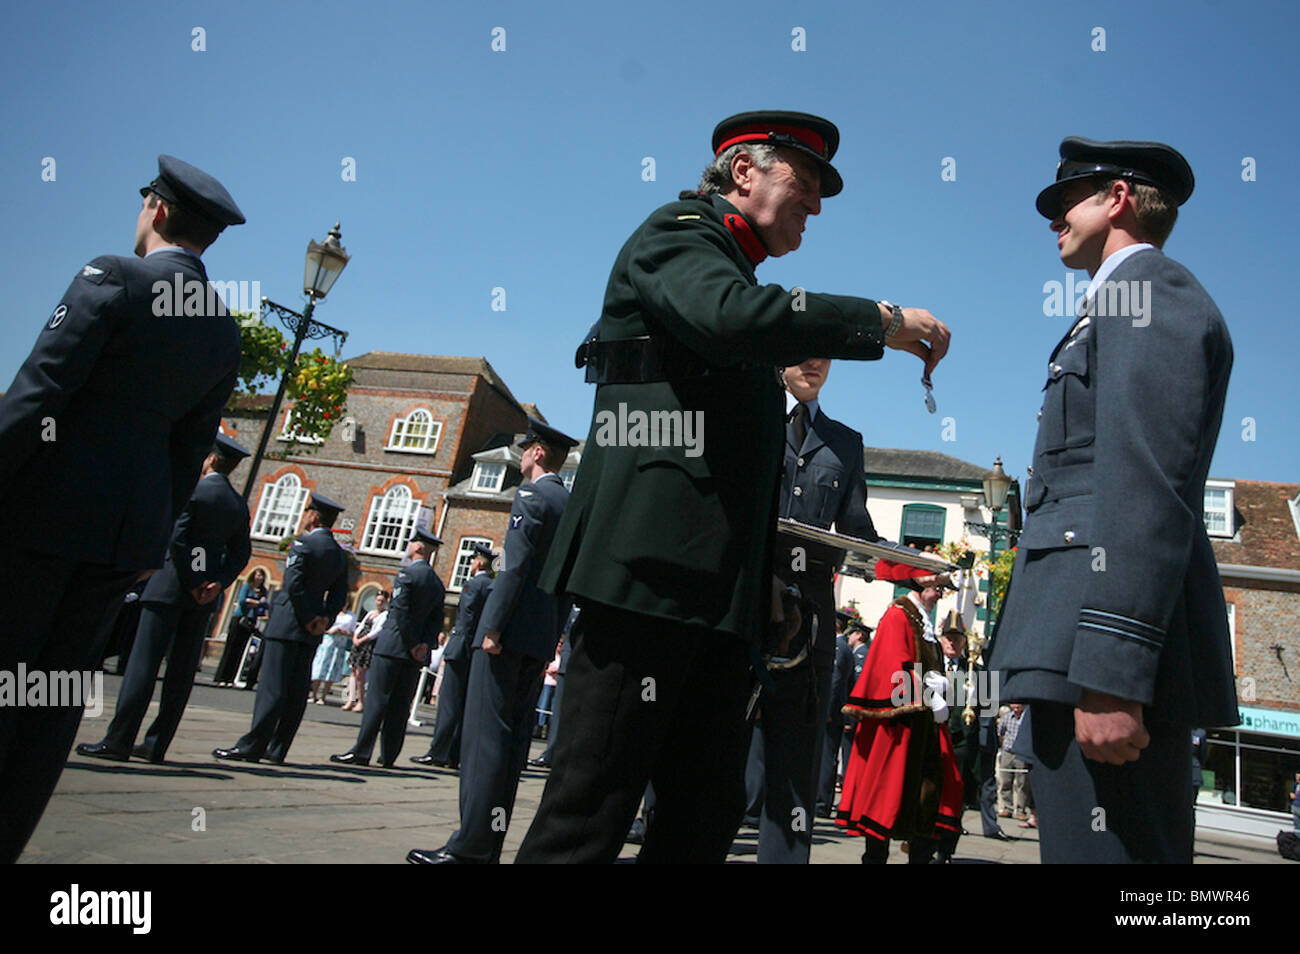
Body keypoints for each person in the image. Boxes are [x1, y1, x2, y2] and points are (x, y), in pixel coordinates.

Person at [515, 110, 949, 865]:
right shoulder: (681, 232)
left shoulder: (738, 277)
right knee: (589, 811)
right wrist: (880, 321)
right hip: (644, 579)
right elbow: (731, 319)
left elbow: (735, 471)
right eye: (804, 184)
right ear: (743, 173)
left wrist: (762, 588)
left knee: (705, 812)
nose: (815, 207)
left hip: (714, 600)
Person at [989, 138, 1237, 864]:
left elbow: (1144, 482)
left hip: (1096, 658)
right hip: (1073, 646)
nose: (1053, 217)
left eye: (1068, 198)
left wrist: (1111, 673)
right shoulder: (1112, 303)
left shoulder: (1149, 291)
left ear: (1120, 198)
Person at [0, 154, 245, 863]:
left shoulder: (112, 277)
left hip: (39, 520)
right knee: (49, 708)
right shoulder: (221, 328)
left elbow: (38, 395)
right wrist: (145, 543)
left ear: (157, 210)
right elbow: (186, 449)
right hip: (118, 544)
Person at [408, 419, 574, 864]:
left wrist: (493, 628)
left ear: (537, 453)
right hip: (538, 638)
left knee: (484, 741)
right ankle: (490, 842)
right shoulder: (568, 502)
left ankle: (470, 847)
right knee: (512, 744)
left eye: (525, 450)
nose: (520, 457)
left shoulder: (533, 496)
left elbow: (514, 568)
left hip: (508, 634)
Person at [742, 357, 881, 863]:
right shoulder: (747, 416)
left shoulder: (846, 442)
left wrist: (910, 565)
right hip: (743, 607)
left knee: (796, 770)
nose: (816, 361)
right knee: (715, 758)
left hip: (813, 623)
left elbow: (858, 530)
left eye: (826, 353)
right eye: (805, 349)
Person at [76, 434, 253, 764]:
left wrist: (195, 580)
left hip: (171, 588)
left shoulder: (194, 490)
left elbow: (179, 538)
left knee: (143, 667)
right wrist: (216, 582)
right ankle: (156, 745)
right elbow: (241, 552)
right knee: (181, 676)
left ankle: (119, 740)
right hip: (202, 600)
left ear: (211, 459)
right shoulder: (237, 503)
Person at [837, 561, 964, 863]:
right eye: (937, 588)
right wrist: (929, 695)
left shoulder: (923, 622)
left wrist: (944, 690)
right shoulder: (898, 615)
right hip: (900, 727)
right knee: (886, 799)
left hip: (926, 727)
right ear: (920, 583)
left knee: (936, 797)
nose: (939, 595)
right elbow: (895, 669)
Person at [214, 494, 351, 764]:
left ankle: (252, 746)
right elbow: (338, 594)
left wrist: (308, 616)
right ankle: (278, 749)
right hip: (312, 631)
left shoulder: (302, 544)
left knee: (272, 688)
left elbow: (293, 584)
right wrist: (323, 619)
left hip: (289, 624)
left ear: (313, 516)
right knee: (296, 692)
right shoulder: (338, 553)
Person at [331, 530, 445, 767]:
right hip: (414, 654)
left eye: (412, 542)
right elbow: (436, 619)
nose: (409, 545)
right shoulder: (436, 582)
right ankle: (390, 754)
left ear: (419, 548)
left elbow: (400, 612)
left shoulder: (407, 574)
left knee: (377, 701)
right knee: (401, 706)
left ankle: (362, 751)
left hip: (394, 647)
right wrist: (423, 644)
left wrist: (413, 643)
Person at [412, 544, 495, 768]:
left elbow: (467, 619)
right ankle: (454, 754)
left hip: (461, 648)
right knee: (464, 705)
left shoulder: (474, 584)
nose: (470, 564)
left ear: (478, 562)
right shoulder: (493, 586)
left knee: (449, 704)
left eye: (472, 561)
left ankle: (438, 751)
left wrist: (461, 645)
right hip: (476, 651)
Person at [215, 568, 269, 686]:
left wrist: (255, 602)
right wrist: (257, 602)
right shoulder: (247, 587)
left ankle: (230, 679)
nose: (260, 578)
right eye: (258, 575)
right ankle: (221, 677)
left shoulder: (263, 591)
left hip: (250, 621)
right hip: (240, 619)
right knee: (230, 648)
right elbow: (242, 601)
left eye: (262, 576)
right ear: (253, 576)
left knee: (240, 650)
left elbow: (265, 605)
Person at [344, 590, 388, 712]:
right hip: (359, 644)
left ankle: (361, 702)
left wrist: (363, 639)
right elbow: (361, 626)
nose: (379, 603)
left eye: (382, 601)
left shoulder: (384, 615)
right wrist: (355, 637)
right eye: (378, 600)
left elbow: (377, 631)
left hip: (368, 645)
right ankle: (350, 700)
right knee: (353, 672)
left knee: (361, 674)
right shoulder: (370, 613)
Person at [309, 608, 357, 704]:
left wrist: (345, 632)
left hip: (339, 645)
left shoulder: (351, 616)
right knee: (319, 668)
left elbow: (353, 631)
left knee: (331, 670)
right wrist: (330, 630)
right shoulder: (330, 612)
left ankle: (323, 696)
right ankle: (314, 695)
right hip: (327, 642)